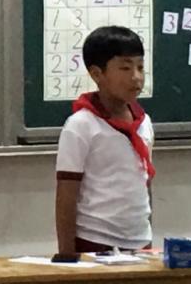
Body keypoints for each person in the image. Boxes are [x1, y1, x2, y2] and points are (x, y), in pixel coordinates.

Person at [54, 25, 154, 260]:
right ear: (97, 74)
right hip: (94, 240)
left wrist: (148, 232)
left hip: (140, 240)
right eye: (125, 68)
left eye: (140, 67)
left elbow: (144, 183)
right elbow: (66, 196)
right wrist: (67, 256)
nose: (136, 77)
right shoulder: (81, 125)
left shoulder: (144, 122)